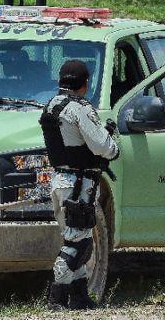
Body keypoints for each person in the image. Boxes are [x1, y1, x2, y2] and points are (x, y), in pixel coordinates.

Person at [39, 60, 119, 309]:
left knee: (74, 237)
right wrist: (112, 145)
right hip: (78, 184)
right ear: (85, 84)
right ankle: (58, 296)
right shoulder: (79, 108)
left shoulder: (51, 105)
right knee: (79, 243)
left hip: (61, 181)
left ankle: (79, 296)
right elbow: (102, 147)